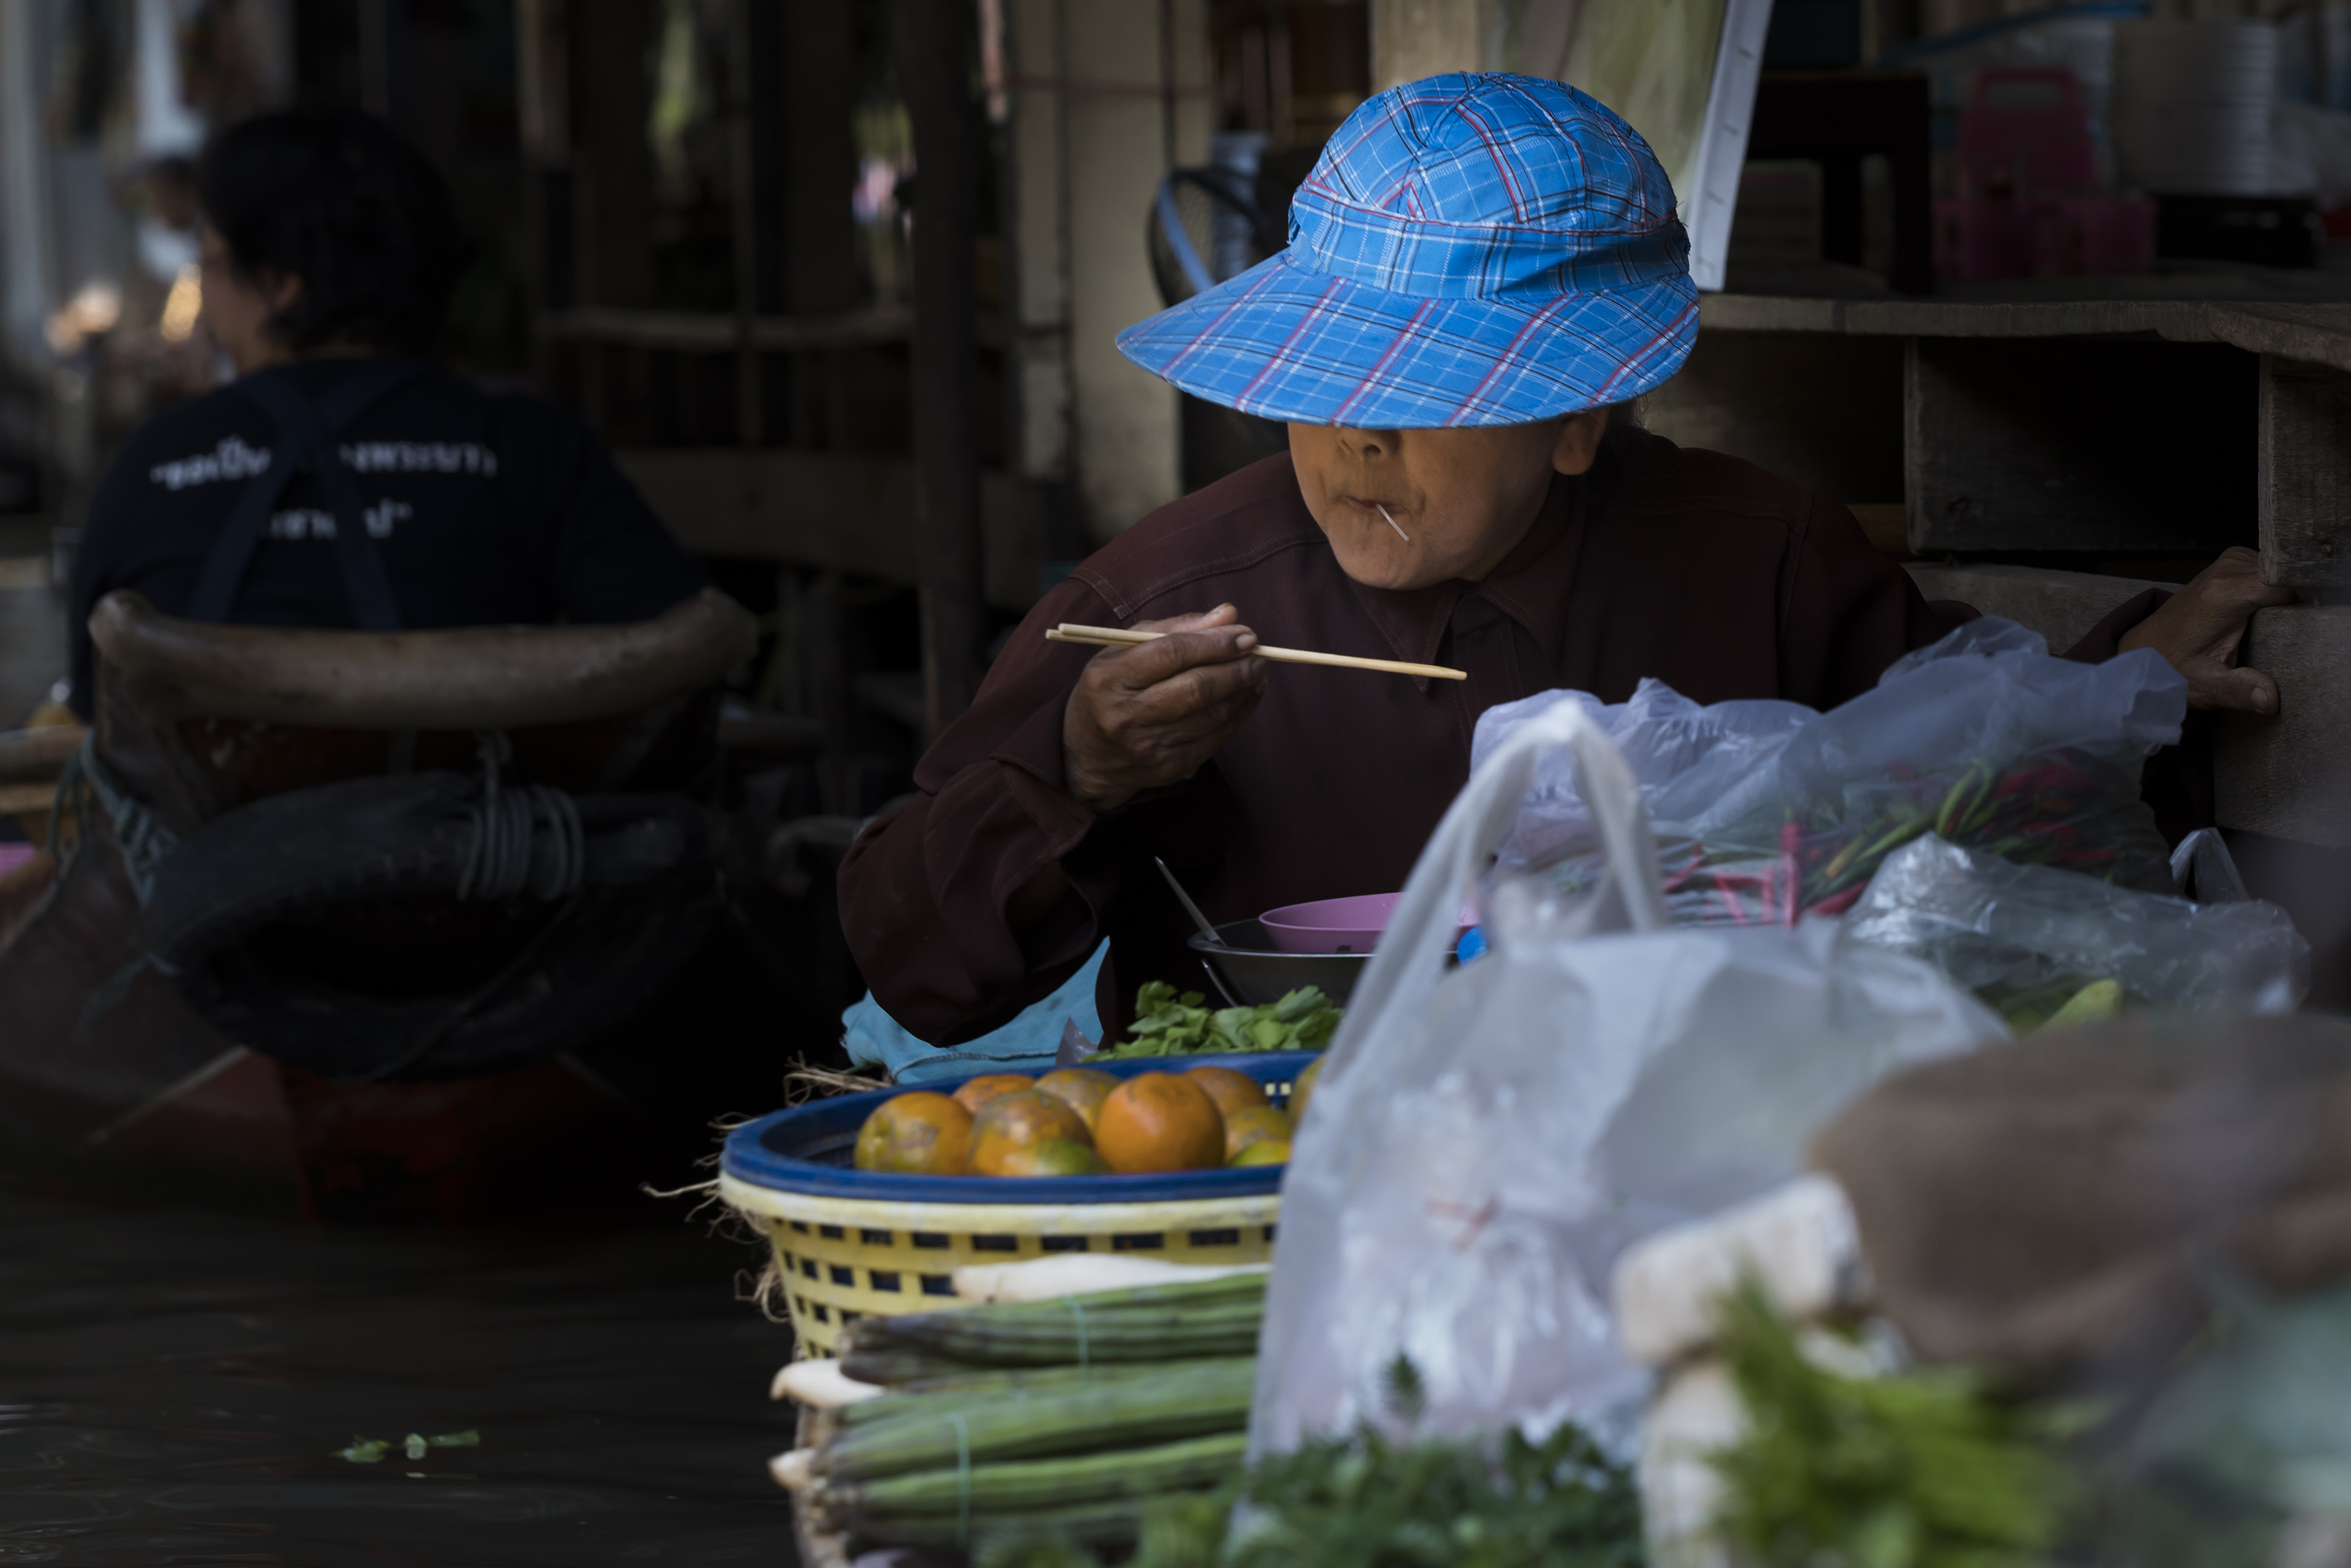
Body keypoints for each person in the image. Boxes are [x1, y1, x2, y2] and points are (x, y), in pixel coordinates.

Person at [838, 73, 2290, 1049]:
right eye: (1319, 384)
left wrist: (2121, 688)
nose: (1353, 443)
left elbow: (1953, 779)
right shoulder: (1155, 613)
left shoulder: (1758, 555)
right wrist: (1081, 776)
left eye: (1418, 401)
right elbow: (922, 965)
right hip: (1271, 1178)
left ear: (1580, 418)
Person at [65, 107, 707, 721]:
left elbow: (96, 708)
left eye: (210, 267)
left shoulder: (153, 464)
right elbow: (677, 659)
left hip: (205, 835)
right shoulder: (527, 445)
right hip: (482, 832)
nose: (205, 303)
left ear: (279, 285)